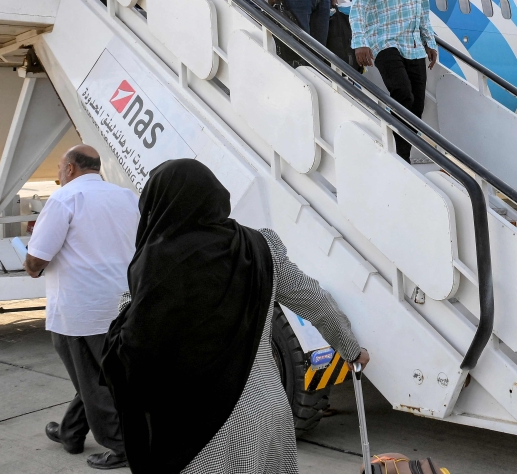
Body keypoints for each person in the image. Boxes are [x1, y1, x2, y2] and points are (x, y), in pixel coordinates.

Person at [101, 159, 369, 474]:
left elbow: (137, 342)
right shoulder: (259, 246)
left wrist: (127, 304)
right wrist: (351, 349)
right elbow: (313, 299)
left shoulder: (160, 262)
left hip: (205, 426)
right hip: (269, 411)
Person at [24, 145, 139, 470]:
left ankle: (120, 447)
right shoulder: (126, 197)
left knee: (92, 382)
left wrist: (30, 265)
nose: (59, 175)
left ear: (71, 169)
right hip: (122, 305)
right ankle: (70, 432)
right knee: (97, 376)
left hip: (79, 310)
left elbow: (37, 259)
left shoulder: (64, 199)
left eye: (60, 168)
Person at [349, 0, 438, 163]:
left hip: (413, 45)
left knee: (417, 106)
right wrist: (360, 41)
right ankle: (396, 157)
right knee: (402, 95)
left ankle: (403, 157)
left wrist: (428, 41)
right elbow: (360, 4)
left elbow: (422, 6)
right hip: (385, 41)